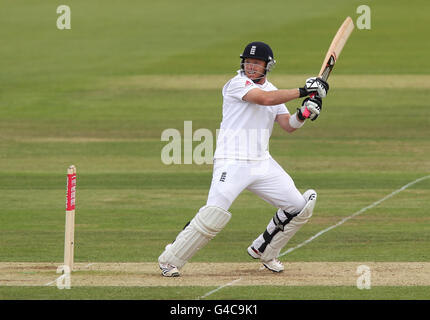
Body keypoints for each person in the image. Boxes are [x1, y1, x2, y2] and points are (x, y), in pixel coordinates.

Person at [158, 41, 329, 277]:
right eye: (247, 62)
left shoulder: (274, 89)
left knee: (299, 208)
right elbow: (265, 99)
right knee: (213, 214)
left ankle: (264, 250)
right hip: (232, 161)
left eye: (256, 63)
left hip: (262, 163)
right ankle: (170, 259)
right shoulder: (236, 84)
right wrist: (305, 91)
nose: (250, 67)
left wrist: (305, 112)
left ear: (268, 66)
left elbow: (288, 126)